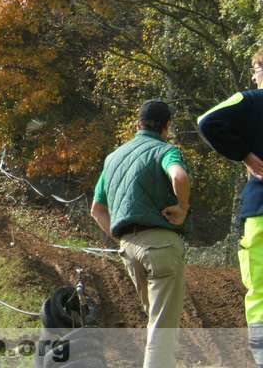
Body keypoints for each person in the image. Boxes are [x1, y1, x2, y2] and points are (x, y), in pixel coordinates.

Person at [91, 99, 191, 368]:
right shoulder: (165, 150)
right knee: (162, 328)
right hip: (160, 246)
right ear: (167, 126)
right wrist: (182, 208)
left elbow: (96, 210)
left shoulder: (113, 158)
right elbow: (179, 177)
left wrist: (122, 238)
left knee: (155, 320)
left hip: (129, 249)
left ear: (138, 124)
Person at [198, 48, 263, 368]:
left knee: (260, 291)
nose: (253, 76)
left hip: (260, 211)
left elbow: (207, 121)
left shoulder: (250, 100)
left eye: (255, 69)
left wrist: (246, 155)